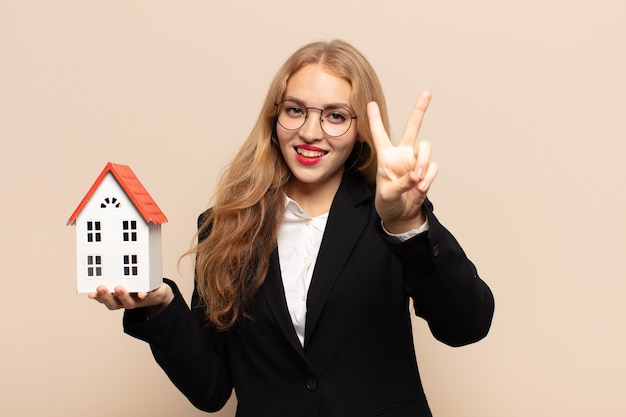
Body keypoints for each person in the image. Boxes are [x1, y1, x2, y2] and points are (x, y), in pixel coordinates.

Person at [90, 39, 494, 417]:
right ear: (275, 116)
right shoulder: (224, 226)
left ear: (361, 132)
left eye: (335, 115)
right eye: (295, 110)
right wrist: (161, 306)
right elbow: (210, 390)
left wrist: (407, 223)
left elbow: (466, 326)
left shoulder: (390, 215)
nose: (310, 132)